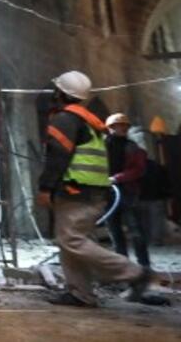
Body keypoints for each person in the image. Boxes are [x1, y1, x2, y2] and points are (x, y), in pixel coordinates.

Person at [36, 71, 153, 307]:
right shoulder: (89, 121)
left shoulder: (65, 120)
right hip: (93, 191)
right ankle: (80, 293)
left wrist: (45, 188)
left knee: (71, 240)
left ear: (60, 93)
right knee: (70, 242)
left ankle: (135, 273)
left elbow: (58, 156)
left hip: (77, 191)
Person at [105, 113, 151, 267]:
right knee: (114, 231)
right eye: (120, 126)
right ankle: (122, 266)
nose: (123, 128)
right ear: (110, 128)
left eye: (125, 126)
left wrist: (117, 178)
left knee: (136, 230)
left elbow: (138, 169)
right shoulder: (102, 146)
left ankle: (144, 266)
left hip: (128, 192)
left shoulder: (133, 147)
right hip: (108, 193)